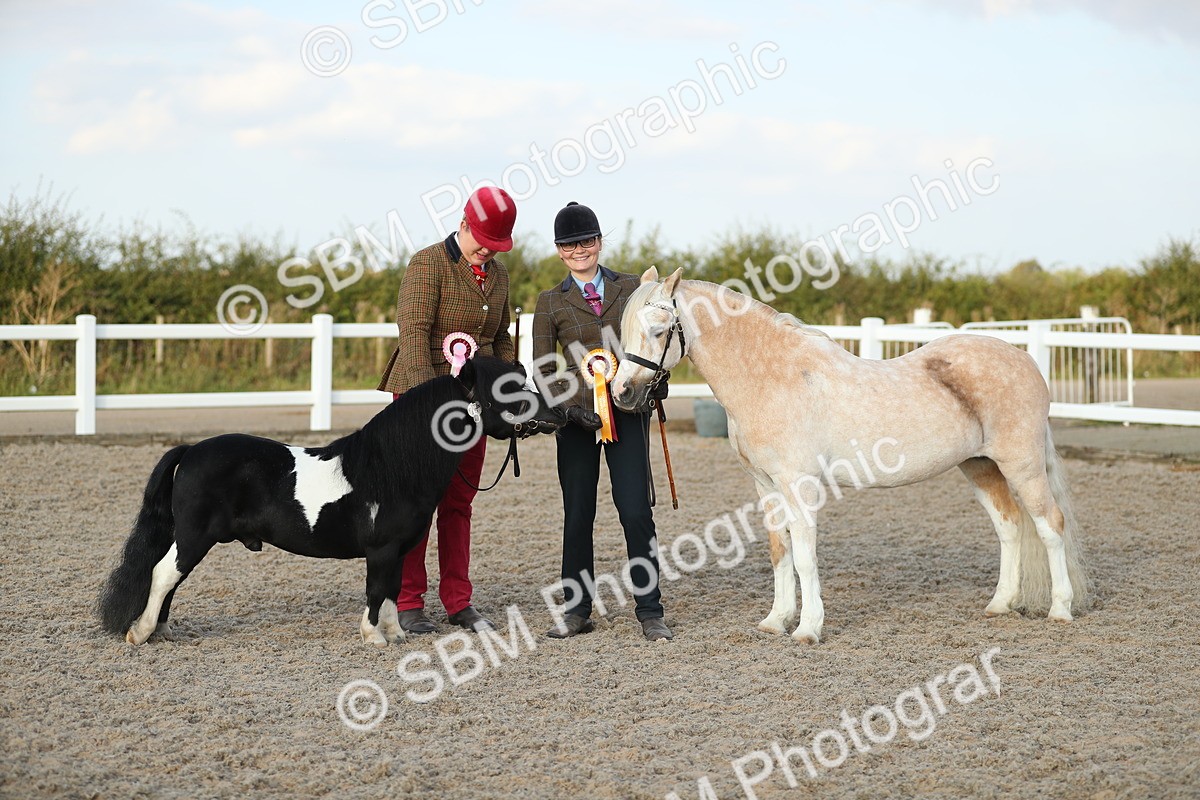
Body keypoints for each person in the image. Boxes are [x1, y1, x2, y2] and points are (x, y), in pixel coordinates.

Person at [377, 186, 517, 634]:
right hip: (422, 397)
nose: (485, 254)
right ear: (463, 224)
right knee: (416, 501)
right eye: (482, 243)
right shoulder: (427, 263)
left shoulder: (499, 276)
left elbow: (499, 337)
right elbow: (413, 332)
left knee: (459, 501)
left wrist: (508, 386)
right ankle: (407, 601)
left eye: (495, 248)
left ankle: (459, 600)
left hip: (473, 404)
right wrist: (425, 406)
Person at [532, 201, 673, 642]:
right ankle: (577, 610)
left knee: (635, 512)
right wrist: (566, 407)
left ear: (599, 242)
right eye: (571, 245)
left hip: (628, 412)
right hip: (577, 419)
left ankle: (650, 610)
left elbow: (656, 336)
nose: (580, 250)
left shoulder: (633, 286)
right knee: (578, 515)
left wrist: (658, 381)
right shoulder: (550, 301)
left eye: (587, 241)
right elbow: (541, 366)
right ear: (559, 250)